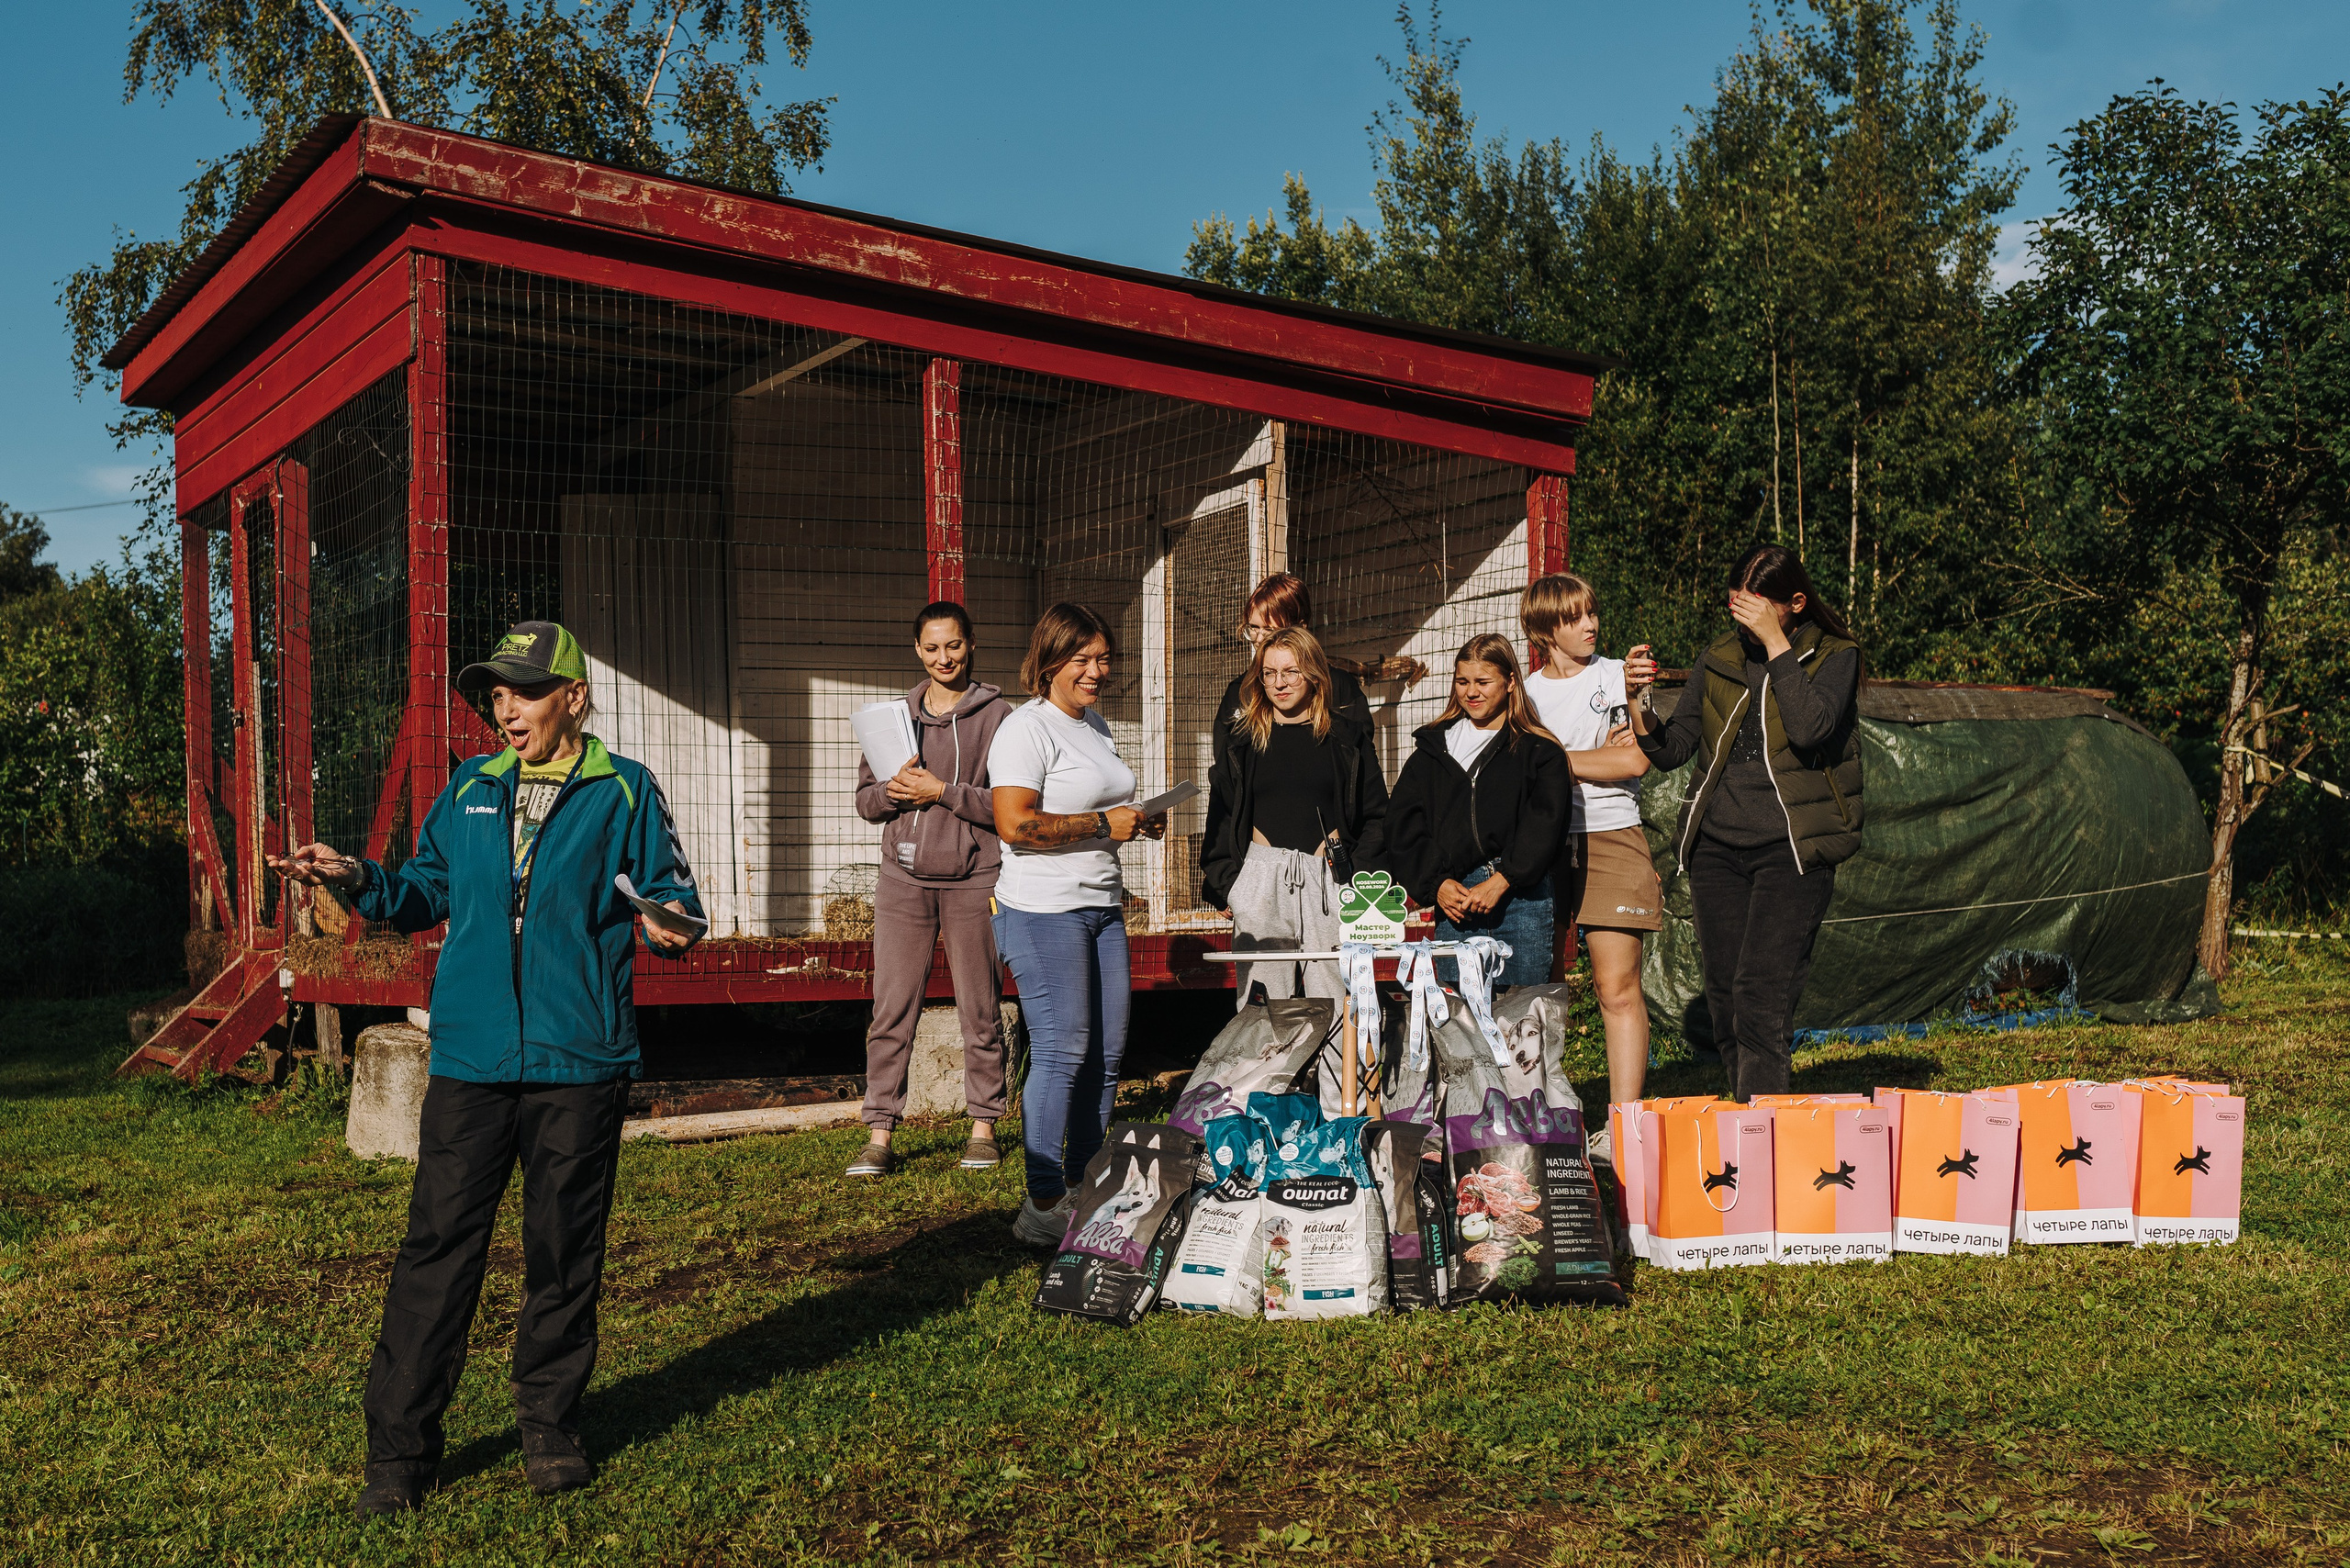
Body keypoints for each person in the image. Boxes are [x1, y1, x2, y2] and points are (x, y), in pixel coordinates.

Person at [269, 621, 702, 1517]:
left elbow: (676, 898)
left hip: (578, 1059)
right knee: (437, 1250)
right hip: (470, 1056)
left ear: (572, 697)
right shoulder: (469, 786)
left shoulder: (623, 790)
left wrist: (671, 922)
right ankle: (398, 1452)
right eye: (495, 692)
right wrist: (355, 872)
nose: (504, 706)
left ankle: (548, 1425)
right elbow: (421, 891)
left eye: (523, 689)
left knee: (561, 1251)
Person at [1627, 543, 1865, 1102]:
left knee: (1761, 994)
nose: (1747, 620)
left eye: (1761, 607)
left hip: (1792, 848)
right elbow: (1675, 746)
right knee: (1727, 1000)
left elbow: (1811, 729)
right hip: (1718, 847)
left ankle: (1764, 1131)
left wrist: (1779, 646)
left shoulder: (1836, 655)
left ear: (1796, 603)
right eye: (1739, 607)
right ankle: (1747, 1114)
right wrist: (1638, 702)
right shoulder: (1719, 657)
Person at [989, 603, 1168, 1248]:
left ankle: (1085, 1185)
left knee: (1105, 1055)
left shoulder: (1094, 724)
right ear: (1050, 660)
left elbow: (1099, 806)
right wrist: (1100, 824)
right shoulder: (1023, 730)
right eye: (1083, 659)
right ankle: (1040, 1202)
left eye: (1104, 658)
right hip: (1042, 910)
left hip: (1101, 906)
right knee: (1063, 1052)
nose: (1098, 671)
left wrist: (1135, 819)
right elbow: (1015, 824)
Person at [849, 601, 1013, 1179]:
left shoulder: (1001, 718)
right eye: (932, 647)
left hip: (974, 879)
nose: (944, 658)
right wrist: (896, 793)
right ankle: (878, 1133)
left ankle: (983, 1127)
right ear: (917, 650)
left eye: (954, 646)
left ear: (971, 646)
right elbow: (867, 801)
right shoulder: (892, 717)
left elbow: (1009, 808)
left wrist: (942, 790)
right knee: (890, 1008)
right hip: (903, 881)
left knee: (980, 1007)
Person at [1521, 573, 1660, 1117]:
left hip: (1611, 834)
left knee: (1615, 987)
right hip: (1543, 844)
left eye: (1592, 612)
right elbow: (1523, 776)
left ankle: (1625, 1124)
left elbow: (1633, 761)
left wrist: (1555, 761)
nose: (1591, 624)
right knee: (1543, 986)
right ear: (1544, 631)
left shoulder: (1620, 678)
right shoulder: (1525, 693)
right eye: (1575, 617)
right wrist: (1582, 760)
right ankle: (1549, 1112)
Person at [1200, 625, 1390, 1006]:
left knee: (1338, 1004)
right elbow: (1220, 812)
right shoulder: (1243, 741)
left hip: (1329, 879)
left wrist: (1354, 879)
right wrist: (1229, 885)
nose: (1279, 683)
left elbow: (1377, 815)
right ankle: (1269, 1070)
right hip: (1261, 879)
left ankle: (1340, 1070)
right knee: (1261, 1010)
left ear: (1314, 673)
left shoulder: (1346, 739)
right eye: (1269, 673)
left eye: (1291, 672)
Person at [1387, 632, 1572, 989]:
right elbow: (1403, 827)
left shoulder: (1540, 752)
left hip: (1523, 899)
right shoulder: (1431, 752)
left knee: (1521, 1022)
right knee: (1461, 1025)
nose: (1471, 692)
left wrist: (1504, 879)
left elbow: (1545, 823)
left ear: (1510, 682)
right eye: (1462, 681)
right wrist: (1436, 883)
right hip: (1456, 903)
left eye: (1483, 681)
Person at [1211, 573, 1373, 775]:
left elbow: (1361, 760)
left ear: (1300, 627)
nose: (1259, 639)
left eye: (1270, 630)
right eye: (1253, 628)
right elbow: (1225, 768)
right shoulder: (1240, 691)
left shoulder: (1338, 685)